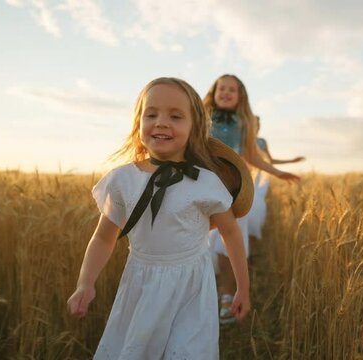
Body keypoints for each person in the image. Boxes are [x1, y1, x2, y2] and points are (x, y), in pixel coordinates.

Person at [67, 77, 251, 359]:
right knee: (138, 349)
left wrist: (242, 287)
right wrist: (86, 282)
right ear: (138, 122)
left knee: (188, 352)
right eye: (151, 114)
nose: (161, 122)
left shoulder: (205, 182)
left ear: (195, 127)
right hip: (142, 285)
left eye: (175, 116)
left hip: (192, 287)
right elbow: (104, 237)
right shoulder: (122, 180)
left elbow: (231, 233)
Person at [202, 74, 299, 324]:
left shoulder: (244, 124)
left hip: (232, 189)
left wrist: (277, 171)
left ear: (240, 96)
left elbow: (253, 156)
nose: (225, 92)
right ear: (213, 92)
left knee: (227, 243)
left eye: (231, 90)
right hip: (200, 185)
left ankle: (226, 294)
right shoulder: (201, 118)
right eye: (221, 88)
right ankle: (197, 291)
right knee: (196, 238)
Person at [247, 116, 305, 253]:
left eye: (257, 124)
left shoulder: (261, 142)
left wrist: (291, 161)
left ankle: (250, 253)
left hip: (259, 179)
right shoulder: (241, 140)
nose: (255, 127)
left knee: (256, 212)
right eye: (253, 124)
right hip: (246, 176)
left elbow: (269, 161)